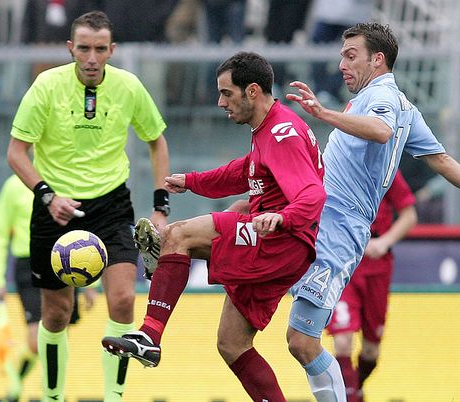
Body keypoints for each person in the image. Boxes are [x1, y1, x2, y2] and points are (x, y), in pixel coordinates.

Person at [283, 22, 460, 401]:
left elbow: (381, 131)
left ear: (377, 60)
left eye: (350, 56)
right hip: (316, 215)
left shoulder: (383, 98)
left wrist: (323, 113)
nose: (341, 66)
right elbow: (444, 160)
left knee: (304, 341)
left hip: (337, 228)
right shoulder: (400, 108)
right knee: (243, 223)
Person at [102, 51, 326, 402]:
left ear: (252, 91)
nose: (220, 102)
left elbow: (313, 194)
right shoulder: (269, 129)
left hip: (279, 241)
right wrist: (191, 181)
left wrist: (282, 216)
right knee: (232, 343)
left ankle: (150, 333)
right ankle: (168, 264)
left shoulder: (282, 133)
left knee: (179, 234)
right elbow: (243, 171)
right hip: (284, 245)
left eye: (227, 93)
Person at [6, 10, 171, 402]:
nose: (92, 57)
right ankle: (52, 396)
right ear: (70, 49)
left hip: (112, 205)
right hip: (54, 208)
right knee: (58, 313)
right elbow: (16, 153)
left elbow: (157, 140)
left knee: (123, 300)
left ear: (112, 50)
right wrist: (48, 196)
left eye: (100, 49)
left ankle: (114, 396)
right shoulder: (46, 86)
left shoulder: (129, 87)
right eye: (84, 48)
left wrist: (160, 205)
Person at [0, 174, 97, 401]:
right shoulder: (14, 185)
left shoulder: (68, 179)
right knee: (37, 339)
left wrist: (91, 283)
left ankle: (53, 393)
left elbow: (85, 232)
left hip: (65, 262)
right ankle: (17, 377)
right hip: (28, 262)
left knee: (60, 334)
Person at [325, 170, 417, 402]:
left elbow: (409, 216)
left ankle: (354, 390)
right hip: (344, 265)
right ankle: (349, 397)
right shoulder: (334, 167)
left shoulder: (386, 171)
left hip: (377, 268)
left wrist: (384, 242)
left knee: (370, 351)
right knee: (343, 339)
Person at [308, 0, 373, 105]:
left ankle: (331, 90)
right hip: (325, 13)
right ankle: (321, 89)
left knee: (352, 55)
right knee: (317, 52)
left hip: (355, 15)